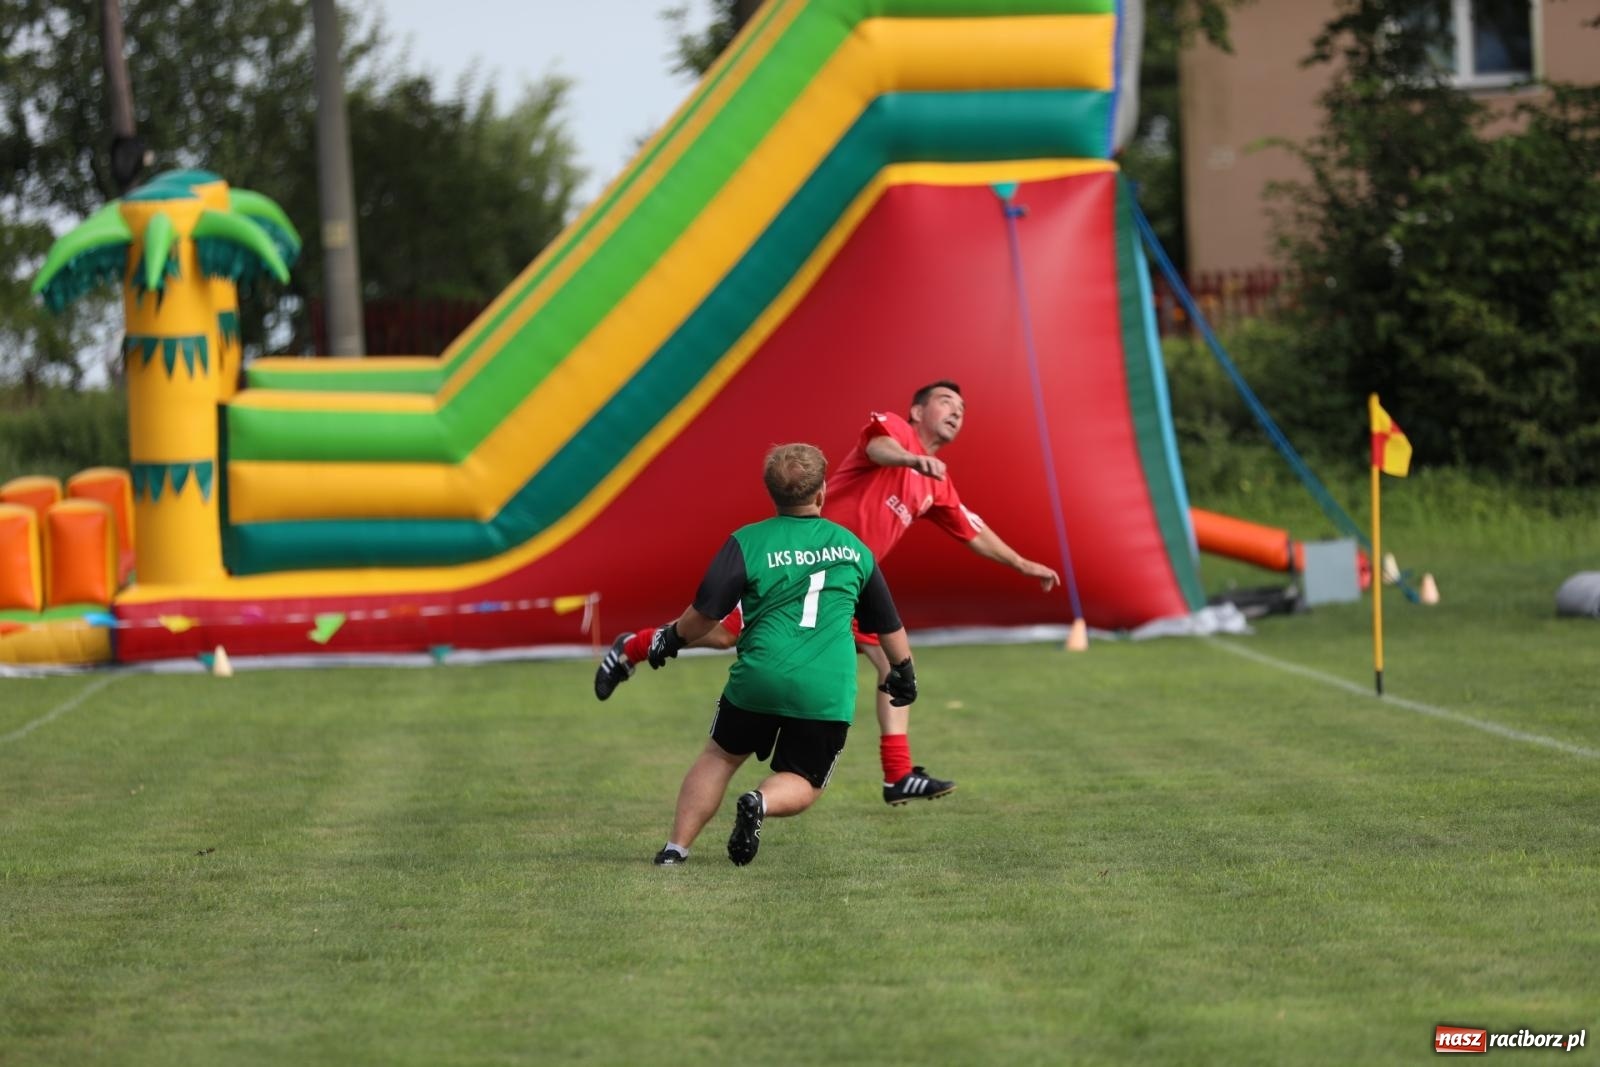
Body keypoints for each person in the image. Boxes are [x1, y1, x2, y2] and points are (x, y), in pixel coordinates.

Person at [596, 381, 1057, 805]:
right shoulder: (896, 433)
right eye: (945, 401)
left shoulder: (936, 482)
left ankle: (897, 775)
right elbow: (878, 447)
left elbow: (971, 529)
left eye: (962, 407)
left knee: (896, 667)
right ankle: (632, 648)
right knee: (720, 636)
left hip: (846, 587)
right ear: (917, 411)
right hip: (794, 569)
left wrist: (1020, 563)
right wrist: (910, 458)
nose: (956, 410)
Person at [645, 442, 917, 866]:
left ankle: (674, 851)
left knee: (719, 756)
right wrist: (903, 670)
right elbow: (888, 625)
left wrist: (670, 638)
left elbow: (704, 614)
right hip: (825, 689)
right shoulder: (852, 548)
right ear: (822, 492)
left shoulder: (747, 541)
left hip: (759, 677)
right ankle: (760, 802)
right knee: (806, 780)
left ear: (770, 492)